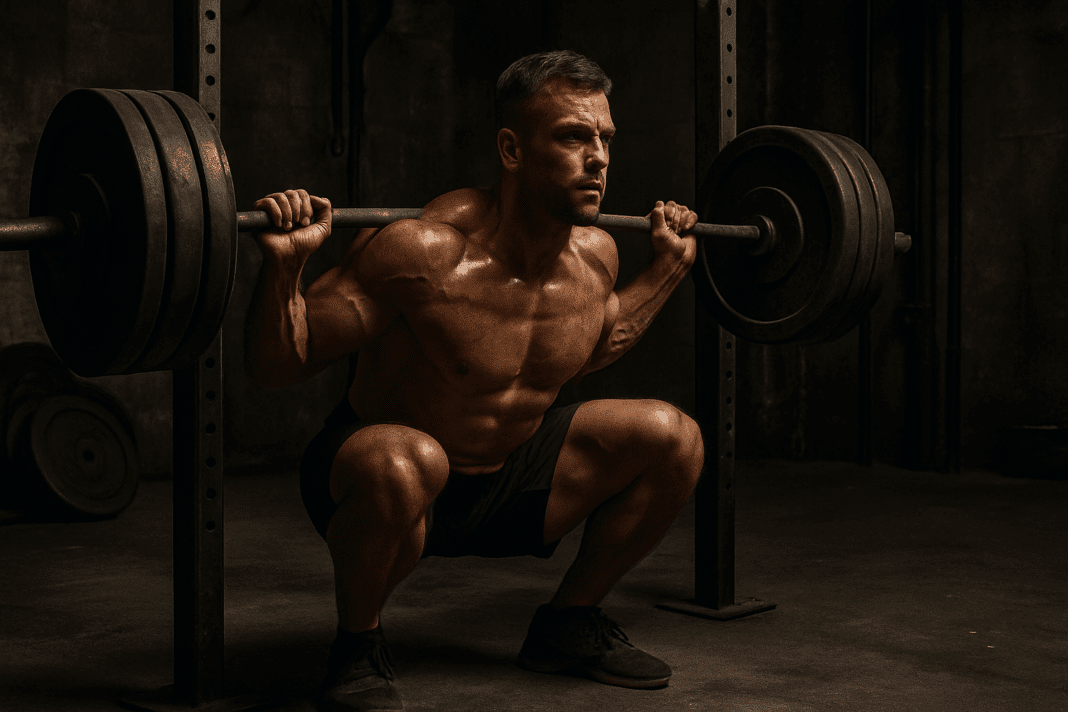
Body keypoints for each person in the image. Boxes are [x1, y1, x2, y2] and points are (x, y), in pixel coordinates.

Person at [245, 50, 704, 712]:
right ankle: (356, 647)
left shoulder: (596, 257)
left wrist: (665, 273)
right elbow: (278, 366)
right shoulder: (423, 251)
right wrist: (285, 271)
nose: (599, 157)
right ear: (513, 150)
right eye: (574, 136)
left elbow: (589, 348)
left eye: (605, 138)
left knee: (676, 437)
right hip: (390, 479)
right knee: (409, 459)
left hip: (509, 477)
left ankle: (568, 624)